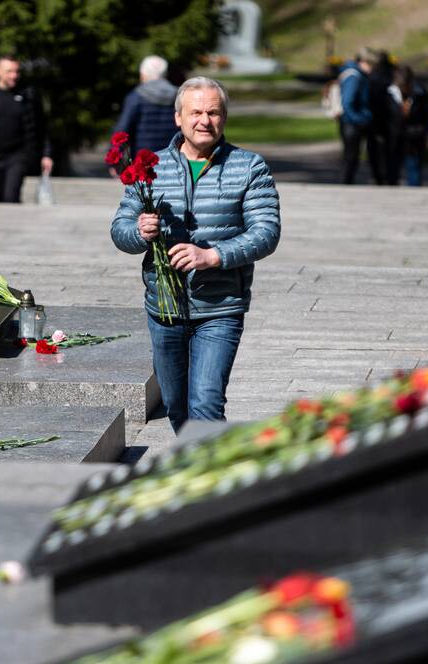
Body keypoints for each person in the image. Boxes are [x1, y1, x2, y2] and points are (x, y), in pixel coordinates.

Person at [111, 77, 281, 433]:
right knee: (176, 408)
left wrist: (213, 256)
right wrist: (139, 233)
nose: (205, 120)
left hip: (220, 308)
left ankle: (211, 486)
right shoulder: (150, 169)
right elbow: (120, 230)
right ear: (178, 118)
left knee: (205, 405)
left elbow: (266, 233)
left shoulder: (249, 167)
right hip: (164, 310)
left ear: (224, 118)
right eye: (197, 112)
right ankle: (195, 471)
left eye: (214, 112)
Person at [0, 55, 53, 203]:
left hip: (17, 156)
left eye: (16, 71)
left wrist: (46, 154)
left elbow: (42, 126)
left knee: (10, 197)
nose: (14, 76)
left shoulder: (28, 94)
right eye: (9, 71)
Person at [111, 55, 179, 154]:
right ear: (165, 74)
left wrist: (114, 159)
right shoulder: (179, 95)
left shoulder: (136, 97)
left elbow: (123, 130)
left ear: (143, 74)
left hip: (143, 161)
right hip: (172, 157)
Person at [386, 66, 428, 187]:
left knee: (414, 167)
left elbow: (427, 113)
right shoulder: (390, 92)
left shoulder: (420, 92)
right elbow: (385, 115)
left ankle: (414, 189)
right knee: (393, 168)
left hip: (415, 135)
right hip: (395, 135)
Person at [337, 49, 376, 184]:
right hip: (351, 124)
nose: (372, 68)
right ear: (363, 62)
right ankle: (346, 184)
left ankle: (347, 182)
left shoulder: (358, 75)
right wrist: (359, 119)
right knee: (350, 158)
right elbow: (347, 102)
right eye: (371, 65)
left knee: (352, 157)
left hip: (352, 123)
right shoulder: (354, 77)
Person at [366, 50, 394, 185]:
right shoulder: (391, 75)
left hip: (375, 118)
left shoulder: (372, 76)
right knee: (388, 150)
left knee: (374, 150)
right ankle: (388, 176)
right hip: (389, 119)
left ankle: (378, 176)